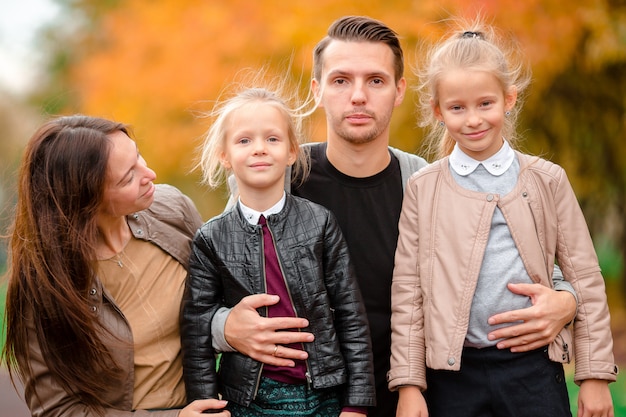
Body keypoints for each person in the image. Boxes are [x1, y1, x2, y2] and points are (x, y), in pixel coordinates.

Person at [213, 16, 579, 417]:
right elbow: (210, 289)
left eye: (375, 80)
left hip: (418, 399)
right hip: (306, 402)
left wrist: (567, 299)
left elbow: (511, 259)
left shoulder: (424, 184)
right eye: (340, 81)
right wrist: (224, 327)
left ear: (399, 90)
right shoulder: (278, 182)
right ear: (317, 90)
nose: (357, 96)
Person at [388, 18, 618, 417]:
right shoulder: (424, 188)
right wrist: (409, 385)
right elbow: (408, 291)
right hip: (452, 377)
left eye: (485, 104)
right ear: (438, 111)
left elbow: (585, 278)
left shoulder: (546, 180)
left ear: (508, 99)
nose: (473, 119)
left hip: (533, 371)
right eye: (457, 108)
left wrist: (594, 376)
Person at [1, 115, 230, 417]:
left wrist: (230, 325)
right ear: (85, 201)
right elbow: (58, 409)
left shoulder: (173, 210)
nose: (150, 173)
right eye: (127, 178)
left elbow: (217, 297)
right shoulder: (45, 284)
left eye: (138, 156)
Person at [180, 85, 375, 416]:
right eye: (244, 141)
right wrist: (206, 405)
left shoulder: (320, 223)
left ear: (291, 152)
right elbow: (197, 325)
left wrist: (357, 402)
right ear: (224, 155)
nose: (259, 149)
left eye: (272, 139)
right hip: (247, 398)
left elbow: (350, 315)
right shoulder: (211, 238)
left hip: (322, 392)